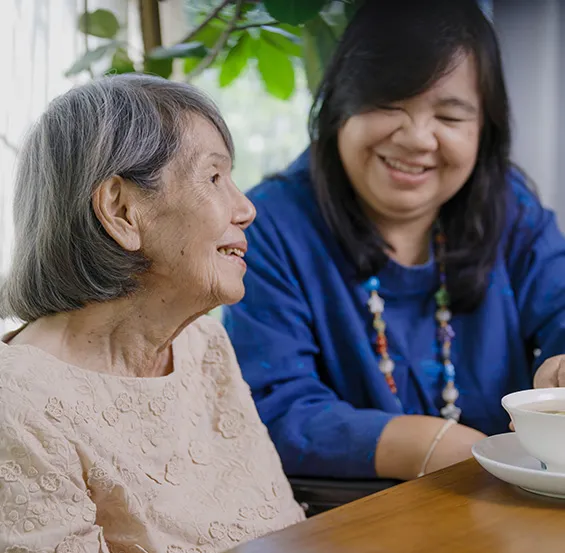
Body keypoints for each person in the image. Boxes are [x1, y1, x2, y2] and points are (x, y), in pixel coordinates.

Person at [223, 0, 565, 484]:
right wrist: (436, 446)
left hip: (507, 502)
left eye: (449, 117)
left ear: (483, 130)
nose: (418, 138)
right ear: (342, 102)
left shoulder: (510, 206)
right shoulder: (267, 225)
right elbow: (275, 408)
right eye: (389, 104)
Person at [0, 74, 304, 553]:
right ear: (122, 211)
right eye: (213, 177)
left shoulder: (203, 344)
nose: (246, 208)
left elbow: (284, 529)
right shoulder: (17, 404)